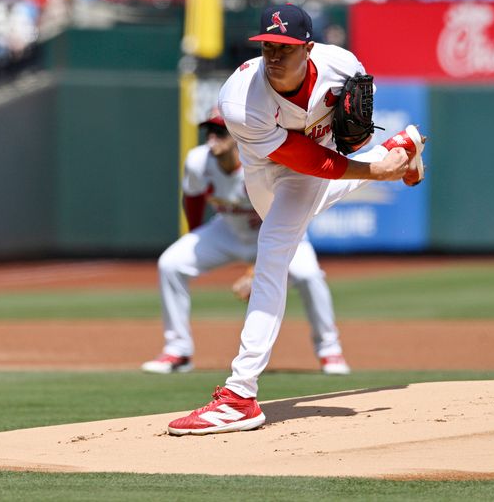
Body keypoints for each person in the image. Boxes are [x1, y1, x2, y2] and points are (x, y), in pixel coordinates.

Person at [168, 3, 426, 436]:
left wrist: (361, 145)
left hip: (308, 168)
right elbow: (302, 160)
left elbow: (360, 109)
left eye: (285, 48)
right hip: (267, 169)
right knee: (292, 213)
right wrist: (375, 166)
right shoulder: (238, 98)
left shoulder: (341, 64)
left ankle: (239, 395)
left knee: (273, 252)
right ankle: (402, 148)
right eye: (268, 45)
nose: (273, 55)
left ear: (308, 48)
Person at [142, 109, 351, 377]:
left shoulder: (259, 163)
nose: (213, 138)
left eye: (220, 131)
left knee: (309, 275)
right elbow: (193, 202)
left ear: (236, 135)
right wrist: (195, 240)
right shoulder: (198, 161)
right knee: (171, 263)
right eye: (210, 131)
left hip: (282, 230)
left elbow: (285, 215)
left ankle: (329, 350)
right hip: (229, 230)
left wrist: (255, 272)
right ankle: (178, 351)